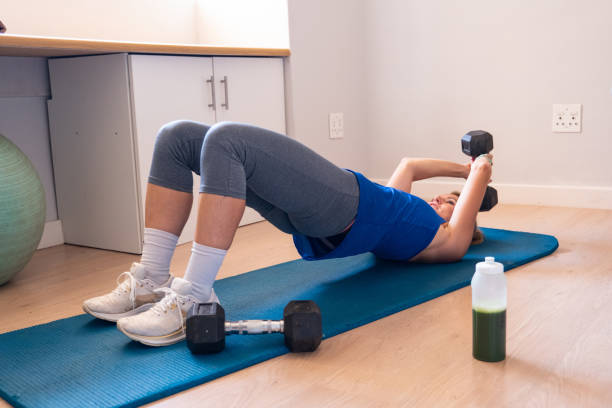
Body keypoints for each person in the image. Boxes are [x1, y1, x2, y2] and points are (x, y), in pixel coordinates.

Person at [82, 121, 493, 346]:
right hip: (314, 221)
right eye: (443, 196)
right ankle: (152, 279)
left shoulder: (446, 240)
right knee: (177, 138)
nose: (441, 198)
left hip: (345, 204)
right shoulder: (405, 210)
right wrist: (463, 167)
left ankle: (194, 296)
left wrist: (480, 168)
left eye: (452, 202)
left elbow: (472, 198)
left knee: (227, 139)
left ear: (465, 219)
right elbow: (410, 165)